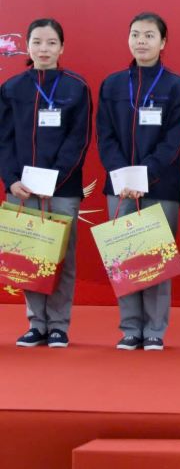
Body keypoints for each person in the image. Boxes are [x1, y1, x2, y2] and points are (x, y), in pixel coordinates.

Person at [96, 12, 180, 351]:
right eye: (135, 34)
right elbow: (105, 137)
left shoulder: (176, 86)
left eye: (149, 35)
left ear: (163, 42)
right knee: (125, 259)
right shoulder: (111, 85)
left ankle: (155, 329)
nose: (141, 41)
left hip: (161, 186)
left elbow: (174, 140)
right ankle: (129, 328)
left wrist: (145, 175)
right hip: (120, 187)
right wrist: (124, 176)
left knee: (156, 259)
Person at [0, 19, 92, 349]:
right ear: (27, 46)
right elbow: (4, 140)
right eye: (37, 42)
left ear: (61, 48)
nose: (43, 49)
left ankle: (58, 325)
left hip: (62, 190)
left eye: (51, 43)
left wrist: (53, 180)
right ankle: (36, 323)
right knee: (28, 256)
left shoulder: (76, 87)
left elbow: (78, 141)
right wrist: (11, 180)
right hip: (21, 189)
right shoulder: (12, 88)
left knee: (61, 258)